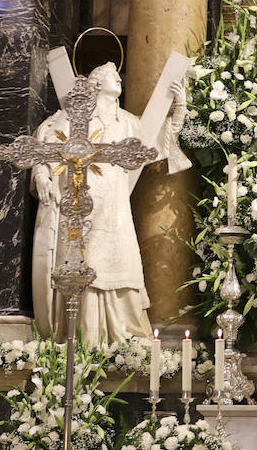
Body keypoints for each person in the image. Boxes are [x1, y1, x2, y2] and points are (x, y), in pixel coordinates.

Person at [32, 62, 162, 345]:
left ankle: (124, 336)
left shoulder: (127, 121)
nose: (119, 79)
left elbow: (157, 147)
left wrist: (178, 110)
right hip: (79, 200)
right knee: (82, 259)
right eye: (111, 75)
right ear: (96, 83)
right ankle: (82, 335)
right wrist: (42, 173)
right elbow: (45, 147)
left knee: (120, 257)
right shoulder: (70, 116)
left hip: (114, 202)